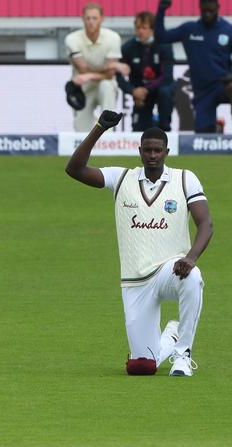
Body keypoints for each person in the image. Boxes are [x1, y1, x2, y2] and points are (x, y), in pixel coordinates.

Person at [66, 112, 211, 376]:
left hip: (171, 270)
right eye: (147, 150)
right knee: (141, 367)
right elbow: (74, 169)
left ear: (167, 151)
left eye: (158, 150)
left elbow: (206, 224)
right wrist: (99, 129)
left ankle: (182, 355)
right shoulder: (121, 178)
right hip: (135, 281)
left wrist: (190, 258)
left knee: (193, 277)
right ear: (139, 151)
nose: (152, 155)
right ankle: (171, 336)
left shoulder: (184, 178)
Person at [155, 0, 232, 133]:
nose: (207, 13)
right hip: (202, 92)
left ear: (218, 7)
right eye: (204, 10)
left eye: (211, 10)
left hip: (223, 85)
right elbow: (161, 37)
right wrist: (161, 11)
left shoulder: (228, 30)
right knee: (203, 137)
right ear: (200, 7)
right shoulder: (189, 29)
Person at [65, 4, 129, 130]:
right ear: (83, 18)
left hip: (103, 85)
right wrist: (112, 65)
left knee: (106, 85)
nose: (91, 22)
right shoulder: (72, 39)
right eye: (88, 18)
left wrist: (88, 75)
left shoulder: (113, 38)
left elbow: (109, 75)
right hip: (83, 89)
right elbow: (83, 70)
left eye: (94, 18)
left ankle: (108, 136)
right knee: (81, 132)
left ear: (102, 18)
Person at [117, 11, 174, 131]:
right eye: (138, 28)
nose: (140, 31)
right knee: (139, 130)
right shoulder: (128, 47)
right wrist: (132, 91)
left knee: (165, 92)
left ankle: (165, 128)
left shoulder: (164, 45)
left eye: (144, 28)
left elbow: (166, 76)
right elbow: (118, 75)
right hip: (139, 95)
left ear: (152, 29)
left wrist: (146, 89)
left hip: (159, 89)